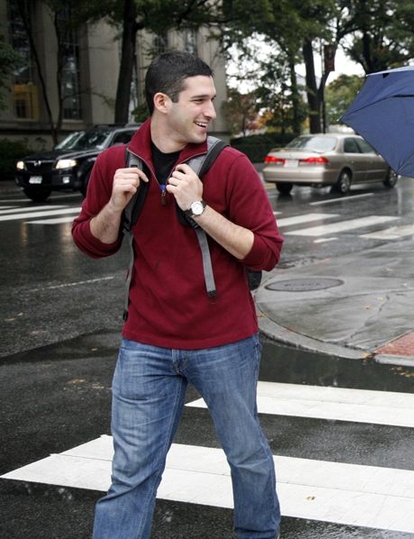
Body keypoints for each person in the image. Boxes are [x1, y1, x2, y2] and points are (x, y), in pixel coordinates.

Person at [72, 51, 283, 539]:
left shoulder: (228, 165)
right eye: (200, 100)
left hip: (224, 340)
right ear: (162, 102)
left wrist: (200, 208)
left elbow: (267, 252)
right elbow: (91, 242)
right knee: (131, 473)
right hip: (145, 343)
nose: (211, 111)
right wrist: (113, 204)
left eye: (213, 100)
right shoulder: (115, 162)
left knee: (247, 458)